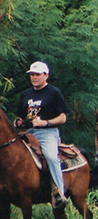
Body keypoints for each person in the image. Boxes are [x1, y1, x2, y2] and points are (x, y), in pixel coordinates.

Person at [15, 61, 68, 209]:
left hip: (47, 132)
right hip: (27, 132)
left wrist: (45, 123)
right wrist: (18, 122)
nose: (34, 77)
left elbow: (63, 118)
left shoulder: (54, 92)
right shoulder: (26, 94)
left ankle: (59, 192)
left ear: (46, 75)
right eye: (32, 74)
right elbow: (20, 116)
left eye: (37, 74)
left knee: (51, 157)